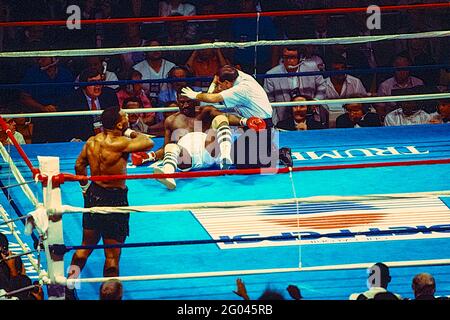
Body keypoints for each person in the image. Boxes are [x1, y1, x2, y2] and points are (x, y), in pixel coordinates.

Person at [67, 106, 154, 287]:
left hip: (94, 195)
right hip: (115, 200)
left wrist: (85, 190)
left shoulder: (91, 141)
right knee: (112, 256)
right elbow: (147, 141)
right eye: (125, 116)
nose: (128, 116)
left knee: (84, 249)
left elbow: (78, 166)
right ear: (119, 123)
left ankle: (68, 286)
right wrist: (129, 131)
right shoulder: (121, 143)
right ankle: (109, 295)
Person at [131, 94, 266, 190]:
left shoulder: (205, 112)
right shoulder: (171, 120)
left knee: (220, 120)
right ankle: (168, 175)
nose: (184, 105)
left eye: (188, 102)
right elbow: (166, 147)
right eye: (181, 102)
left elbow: (227, 116)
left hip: (209, 151)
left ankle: (226, 157)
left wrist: (245, 121)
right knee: (172, 146)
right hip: (189, 158)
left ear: (195, 101)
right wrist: (150, 156)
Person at [181, 65, 273, 126]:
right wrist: (214, 83)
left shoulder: (240, 89)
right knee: (239, 153)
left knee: (242, 154)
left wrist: (195, 95)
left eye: (220, 84)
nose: (219, 87)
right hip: (253, 122)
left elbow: (214, 98)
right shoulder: (237, 75)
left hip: (260, 124)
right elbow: (219, 76)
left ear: (227, 83)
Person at [264, 46, 326, 125]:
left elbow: (322, 86)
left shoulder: (311, 68)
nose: (289, 61)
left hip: (310, 115)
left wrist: (315, 101)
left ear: (300, 58)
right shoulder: (271, 75)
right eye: (286, 57)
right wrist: (275, 124)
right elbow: (270, 103)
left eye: (293, 57)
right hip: (284, 117)